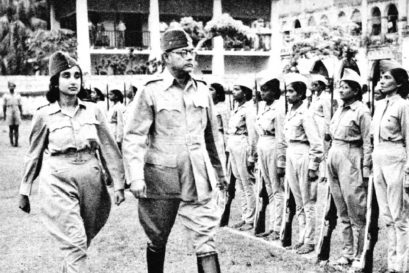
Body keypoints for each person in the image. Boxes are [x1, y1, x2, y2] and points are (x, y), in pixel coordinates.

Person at [123, 28, 226, 273]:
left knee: (205, 240)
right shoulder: (150, 90)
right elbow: (134, 136)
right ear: (166, 57)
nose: (190, 57)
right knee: (157, 238)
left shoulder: (202, 89)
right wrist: (135, 177)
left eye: (192, 52)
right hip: (160, 179)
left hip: (198, 177)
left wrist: (220, 174)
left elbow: (212, 137)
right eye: (182, 52)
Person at [17, 51, 125, 273]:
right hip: (57, 180)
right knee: (75, 242)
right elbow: (34, 154)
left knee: (79, 243)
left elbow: (108, 148)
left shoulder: (94, 110)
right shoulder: (44, 115)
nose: (73, 81)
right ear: (55, 82)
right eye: (66, 76)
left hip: (91, 181)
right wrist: (24, 190)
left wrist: (119, 183)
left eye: (77, 76)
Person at [326, 69, 372, 269]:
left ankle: (360, 255)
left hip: (352, 154)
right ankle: (347, 252)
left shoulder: (361, 111)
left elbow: (368, 141)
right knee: (341, 208)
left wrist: (365, 168)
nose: (341, 89)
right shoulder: (339, 109)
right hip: (335, 153)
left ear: (355, 91)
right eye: (340, 86)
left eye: (346, 87)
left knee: (356, 209)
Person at [280, 73, 323, 254]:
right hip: (292, 152)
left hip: (303, 153)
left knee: (308, 200)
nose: (287, 95)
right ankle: (302, 237)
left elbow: (316, 142)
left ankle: (310, 240)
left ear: (300, 94)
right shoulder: (290, 112)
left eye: (291, 91)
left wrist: (313, 165)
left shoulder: (307, 113)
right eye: (287, 91)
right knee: (297, 199)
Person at [372, 65, 409, 273]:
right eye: (381, 78)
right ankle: (391, 264)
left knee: (399, 217)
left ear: (399, 83)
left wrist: (408, 172)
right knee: (386, 216)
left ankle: (401, 267)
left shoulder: (403, 106)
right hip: (379, 156)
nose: (382, 81)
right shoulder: (379, 105)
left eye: (387, 78)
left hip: (397, 157)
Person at [253, 75, 285, 240]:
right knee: (269, 188)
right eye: (262, 90)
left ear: (274, 92)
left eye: (265, 91)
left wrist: (281, 160)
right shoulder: (263, 107)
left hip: (273, 145)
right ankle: (272, 226)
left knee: (277, 188)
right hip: (263, 144)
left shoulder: (279, 109)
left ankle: (278, 228)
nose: (262, 94)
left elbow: (281, 136)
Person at [226, 79, 257, 232]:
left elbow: (252, 133)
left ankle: (251, 218)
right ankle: (245, 216)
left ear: (245, 92)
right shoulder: (237, 108)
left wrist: (252, 155)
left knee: (247, 183)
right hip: (233, 144)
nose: (234, 92)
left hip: (243, 144)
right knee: (239, 182)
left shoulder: (249, 109)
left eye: (237, 89)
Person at [309, 74, 332, 183]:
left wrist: (328, 131)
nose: (314, 87)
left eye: (316, 85)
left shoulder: (326, 98)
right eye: (313, 84)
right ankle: (319, 171)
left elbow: (328, 115)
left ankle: (325, 174)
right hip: (314, 124)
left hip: (322, 124)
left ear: (322, 86)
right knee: (317, 147)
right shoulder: (314, 97)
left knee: (324, 148)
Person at [210, 82, 230, 172]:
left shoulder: (223, 108)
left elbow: (227, 127)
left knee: (220, 160)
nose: (208, 92)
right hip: (209, 137)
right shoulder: (208, 107)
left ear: (218, 93)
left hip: (218, 137)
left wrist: (228, 146)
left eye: (211, 90)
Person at [3, 81, 22, 147]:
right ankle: (11, 142)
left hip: (16, 110)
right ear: (8, 87)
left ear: (14, 87)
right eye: (10, 86)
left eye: (13, 86)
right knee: (11, 128)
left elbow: (20, 105)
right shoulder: (6, 95)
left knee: (16, 128)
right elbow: (4, 106)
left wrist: (21, 113)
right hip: (9, 111)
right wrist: (4, 115)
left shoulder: (17, 95)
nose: (11, 87)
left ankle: (16, 142)